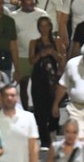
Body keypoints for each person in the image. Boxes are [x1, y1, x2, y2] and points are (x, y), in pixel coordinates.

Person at [29, 15, 66, 148]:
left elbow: (62, 61)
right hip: (39, 79)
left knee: (54, 109)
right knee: (40, 111)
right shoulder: (34, 42)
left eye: (46, 25)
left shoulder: (56, 41)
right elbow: (31, 60)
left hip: (53, 81)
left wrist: (53, 53)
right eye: (41, 26)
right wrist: (40, 54)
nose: (44, 29)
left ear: (50, 27)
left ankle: (53, 130)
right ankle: (45, 140)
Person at [0, 82, 40, 162]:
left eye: (12, 95)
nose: (9, 98)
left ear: (17, 97)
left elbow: (33, 147)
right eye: (6, 95)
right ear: (1, 98)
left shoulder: (28, 117)